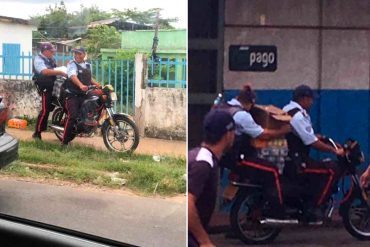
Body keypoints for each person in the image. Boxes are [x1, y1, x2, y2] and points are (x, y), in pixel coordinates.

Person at [220, 85, 291, 219]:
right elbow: (262, 135)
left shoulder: (223, 108)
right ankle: (278, 210)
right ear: (250, 102)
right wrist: (282, 131)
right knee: (273, 170)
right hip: (239, 157)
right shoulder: (241, 115)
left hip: (224, 156)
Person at [282, 84, 345, 221]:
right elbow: (310, 141)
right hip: (297, 161)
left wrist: (322, 138)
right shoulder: (298, 116)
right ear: (303, 99)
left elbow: (303, 134)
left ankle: (308, 201)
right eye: (310, 99)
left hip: (291, 158)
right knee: (332, 170)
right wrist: (333, 150)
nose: (312, 102)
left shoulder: (288, 109)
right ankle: (315, 208)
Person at [188, 109, 235, 247]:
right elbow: (187, 203)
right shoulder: (203, 163)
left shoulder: (199, 156)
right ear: (228, 135)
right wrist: (204, 241)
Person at [62, 46, 100, 146]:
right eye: (75, 53)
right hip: (73, 94)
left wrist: (98, 85)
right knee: (73, 116)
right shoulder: (71, 64)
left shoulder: (88, 65)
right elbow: (72, 76)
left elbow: (90, 79)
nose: (77, 55)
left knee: (98, 101)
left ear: (84, 54)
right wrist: (80, 85)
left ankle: (88, 124)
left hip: (84, 93)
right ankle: (64, 142)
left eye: (79, 53)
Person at [32, 42, 67, 140]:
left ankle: (62, 126)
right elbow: (45, 72)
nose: (53, 53)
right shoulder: (38, 60)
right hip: (45, 87)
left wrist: (61, 71)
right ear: (46, 51)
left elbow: (54, 69)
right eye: (51, 51)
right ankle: (37, 133)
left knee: (60, 105)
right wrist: (60, 71)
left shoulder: (51, 59)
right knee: (45, 110)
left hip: (54, 86)